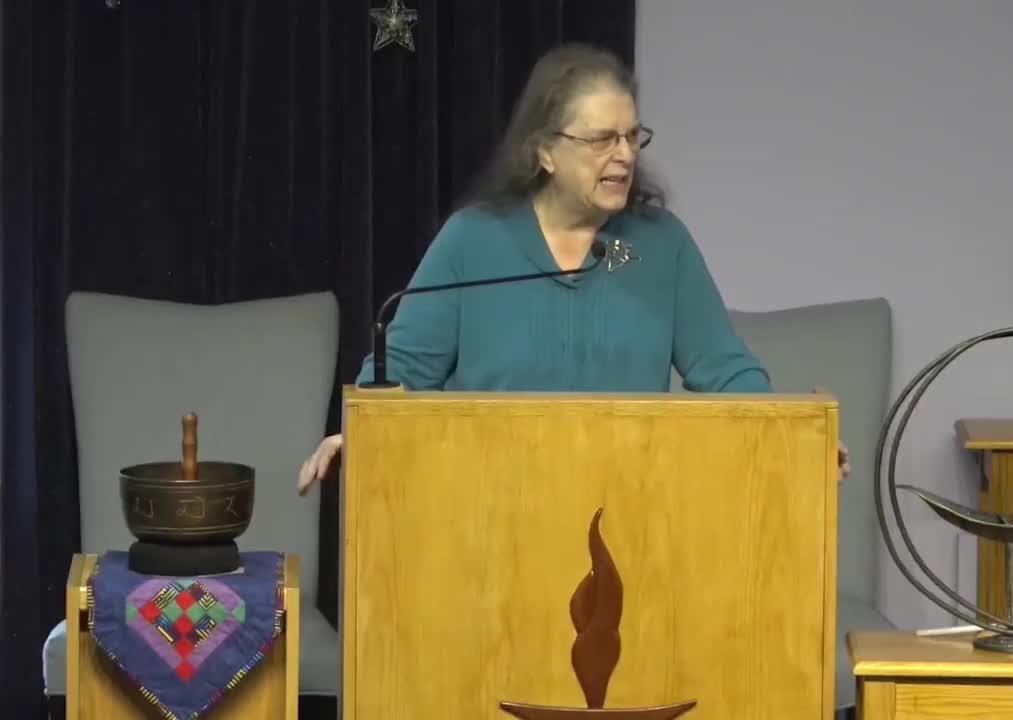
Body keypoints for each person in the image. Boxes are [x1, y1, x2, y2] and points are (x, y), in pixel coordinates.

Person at [298, 43, 846, 494]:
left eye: (632, 136)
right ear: (545, 153)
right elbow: (405, 371)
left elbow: (726, 371)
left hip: (628, 515)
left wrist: (797, 436)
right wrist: (359, 430)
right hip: (485, 514)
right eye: (602, 139)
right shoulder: (473, 240)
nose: (626, 155)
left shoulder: (662, 245)